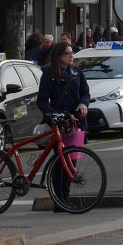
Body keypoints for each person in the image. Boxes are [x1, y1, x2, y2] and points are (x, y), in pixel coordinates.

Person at [36, 40, 89, 210]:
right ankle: (59, 200)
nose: (71, 56)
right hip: (59, 121)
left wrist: (83, 103)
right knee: (60, 161)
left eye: (72, 53)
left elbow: (85, 92)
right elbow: (42, 100)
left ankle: (65, 197)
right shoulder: (49, 73)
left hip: (74, 121)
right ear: (59, 56)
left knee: (72, 161)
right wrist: (52, 113)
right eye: (67, 53)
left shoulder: (77, 72)